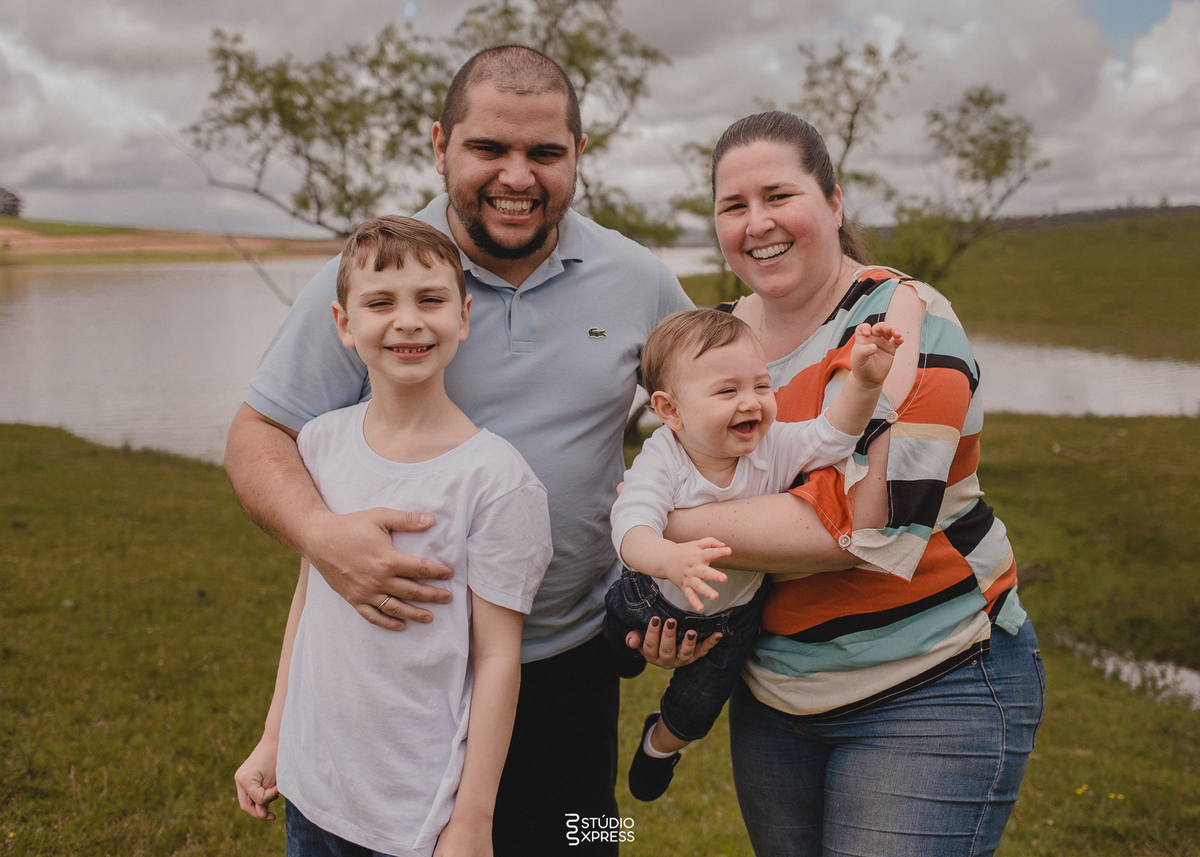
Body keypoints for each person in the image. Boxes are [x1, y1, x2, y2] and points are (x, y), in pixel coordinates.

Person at [222, 45, 693, 855]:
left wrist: (667, 578)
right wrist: (321, 535)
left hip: (571, 654)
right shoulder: (376, 276)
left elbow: (714, 420)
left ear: (578, 155)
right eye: (489, 149)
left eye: (545, 152)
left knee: (589, 832)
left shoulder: (639, 278)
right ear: (440, 145)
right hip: (398, 666)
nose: (518, 175)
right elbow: (257, 433)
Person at [638, 111, 1045, 856]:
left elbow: (878, 519)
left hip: (934, 679)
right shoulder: (717, 336)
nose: (756, 223)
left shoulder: (902, 319)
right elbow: (655, 461)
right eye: (734, 206)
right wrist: (673, 597)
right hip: (775, 697)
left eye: (778, 195)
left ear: (833, 200)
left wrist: (668, 530)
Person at [234, 216, 553, 856]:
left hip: (412, 812)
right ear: (344, 324)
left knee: (582, 831)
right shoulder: (320, 444)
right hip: (312, 786)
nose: (408, 321)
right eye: (381, 302)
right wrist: (275, 737)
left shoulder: (497, 482)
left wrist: (473, 822)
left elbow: (495, 660)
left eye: (430, 300)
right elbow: (308, 604)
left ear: (463, 316)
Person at [603, 308, 903, 802]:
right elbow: (630, 524)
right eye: (728, 391)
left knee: (696, 710)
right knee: (620, 635)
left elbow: (832, 437)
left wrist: (865, 383)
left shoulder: (773, 445)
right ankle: (624, 653)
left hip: (732, 617)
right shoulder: (665, 458)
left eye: (761, 386)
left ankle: (660, 744)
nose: (752, 403)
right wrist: (667, 559)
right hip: (652, 595)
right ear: (670, 410)